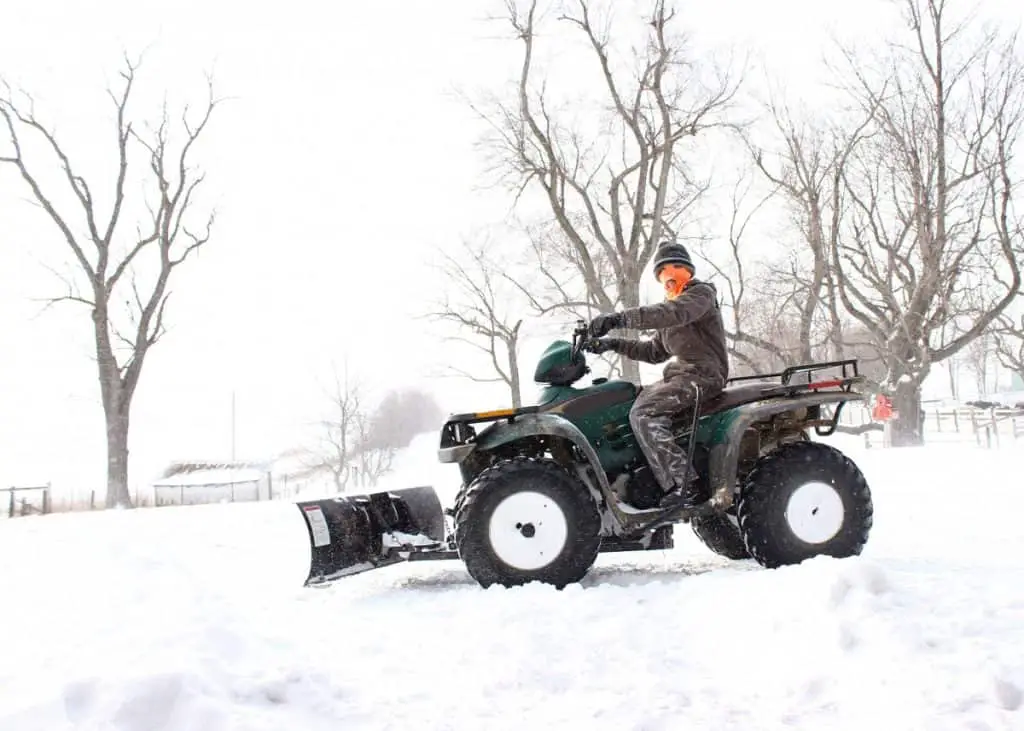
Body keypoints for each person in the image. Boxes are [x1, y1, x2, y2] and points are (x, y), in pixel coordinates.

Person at [585, 241, 729, 510]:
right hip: (680, 376)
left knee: (644, 413)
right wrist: (611, 343)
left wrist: (618, 319)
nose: (668, 276)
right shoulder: (672, 310)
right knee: (629, 401)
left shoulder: (700, 296)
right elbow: (653, 351)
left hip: (704, 375)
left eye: (675, 268)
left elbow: (673, 313)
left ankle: (684, 484)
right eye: (662, 272)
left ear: (688, 270)